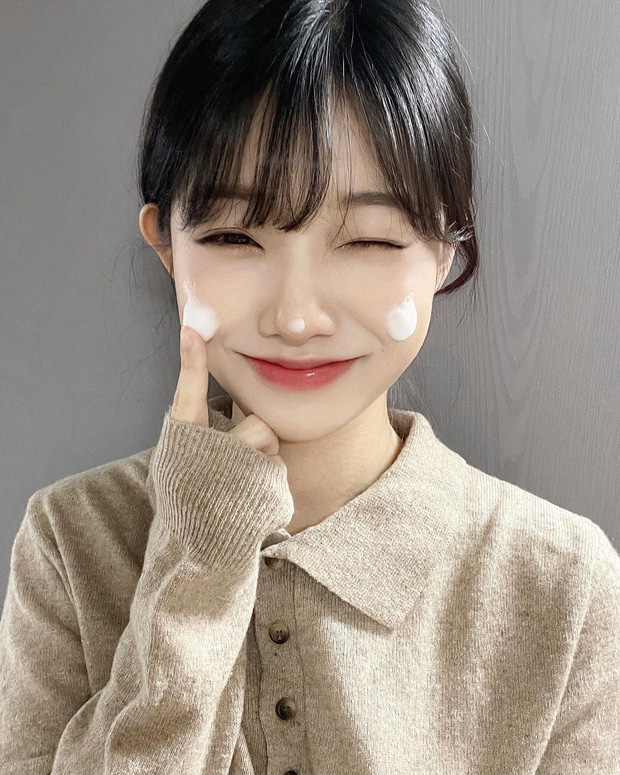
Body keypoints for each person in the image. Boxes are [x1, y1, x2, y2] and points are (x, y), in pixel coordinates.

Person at [1, 0, 618, 773]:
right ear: (167, 248)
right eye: (233, 236)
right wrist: (197, 566)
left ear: (442, 251)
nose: (296, 318)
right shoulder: (72, 539)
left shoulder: (564, 583)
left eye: (367, 240)